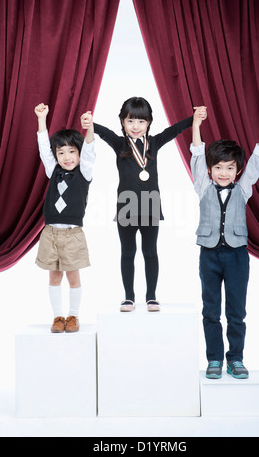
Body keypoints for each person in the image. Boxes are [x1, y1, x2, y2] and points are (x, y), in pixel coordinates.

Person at [81, 97, 205, 312]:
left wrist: (193, 119)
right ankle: (128, 297)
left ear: (148, 123)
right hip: (126, 205)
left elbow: (174, 130)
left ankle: (151, 297)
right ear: (122, 122)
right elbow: (102, 132)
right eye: (130, 121)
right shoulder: (119, 143)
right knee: (127, 253)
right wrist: (90, 122)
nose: (135, 126)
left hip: (151, 205)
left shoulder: (154, 143)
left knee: (150, 252)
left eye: (141, 121)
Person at [191, 106, 259, 379]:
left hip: (237, 256)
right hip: (209, 255)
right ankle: (215, 360)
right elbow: (196, 153)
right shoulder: (203, 186)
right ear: (209, 169)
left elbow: (256, 162)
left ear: (237, 170)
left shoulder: (243, 188)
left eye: (229, 168)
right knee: (210, 310)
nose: (223, 172)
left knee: (236, 312)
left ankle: (236, 358)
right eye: (217, 167)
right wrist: (196, 124)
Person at [34, 103, 96, 333]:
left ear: (79, 154)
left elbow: (89, 150)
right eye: (61, 152)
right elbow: (43, 149)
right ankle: (57, 316)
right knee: (54, 276)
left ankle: (73, 316)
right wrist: (42, 119)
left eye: (72, 151)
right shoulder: (53, 170)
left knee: (73, 276)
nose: (66, 157)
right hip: (50, 233)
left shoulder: (84, 172)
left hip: (72, 234)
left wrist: (89, 128)